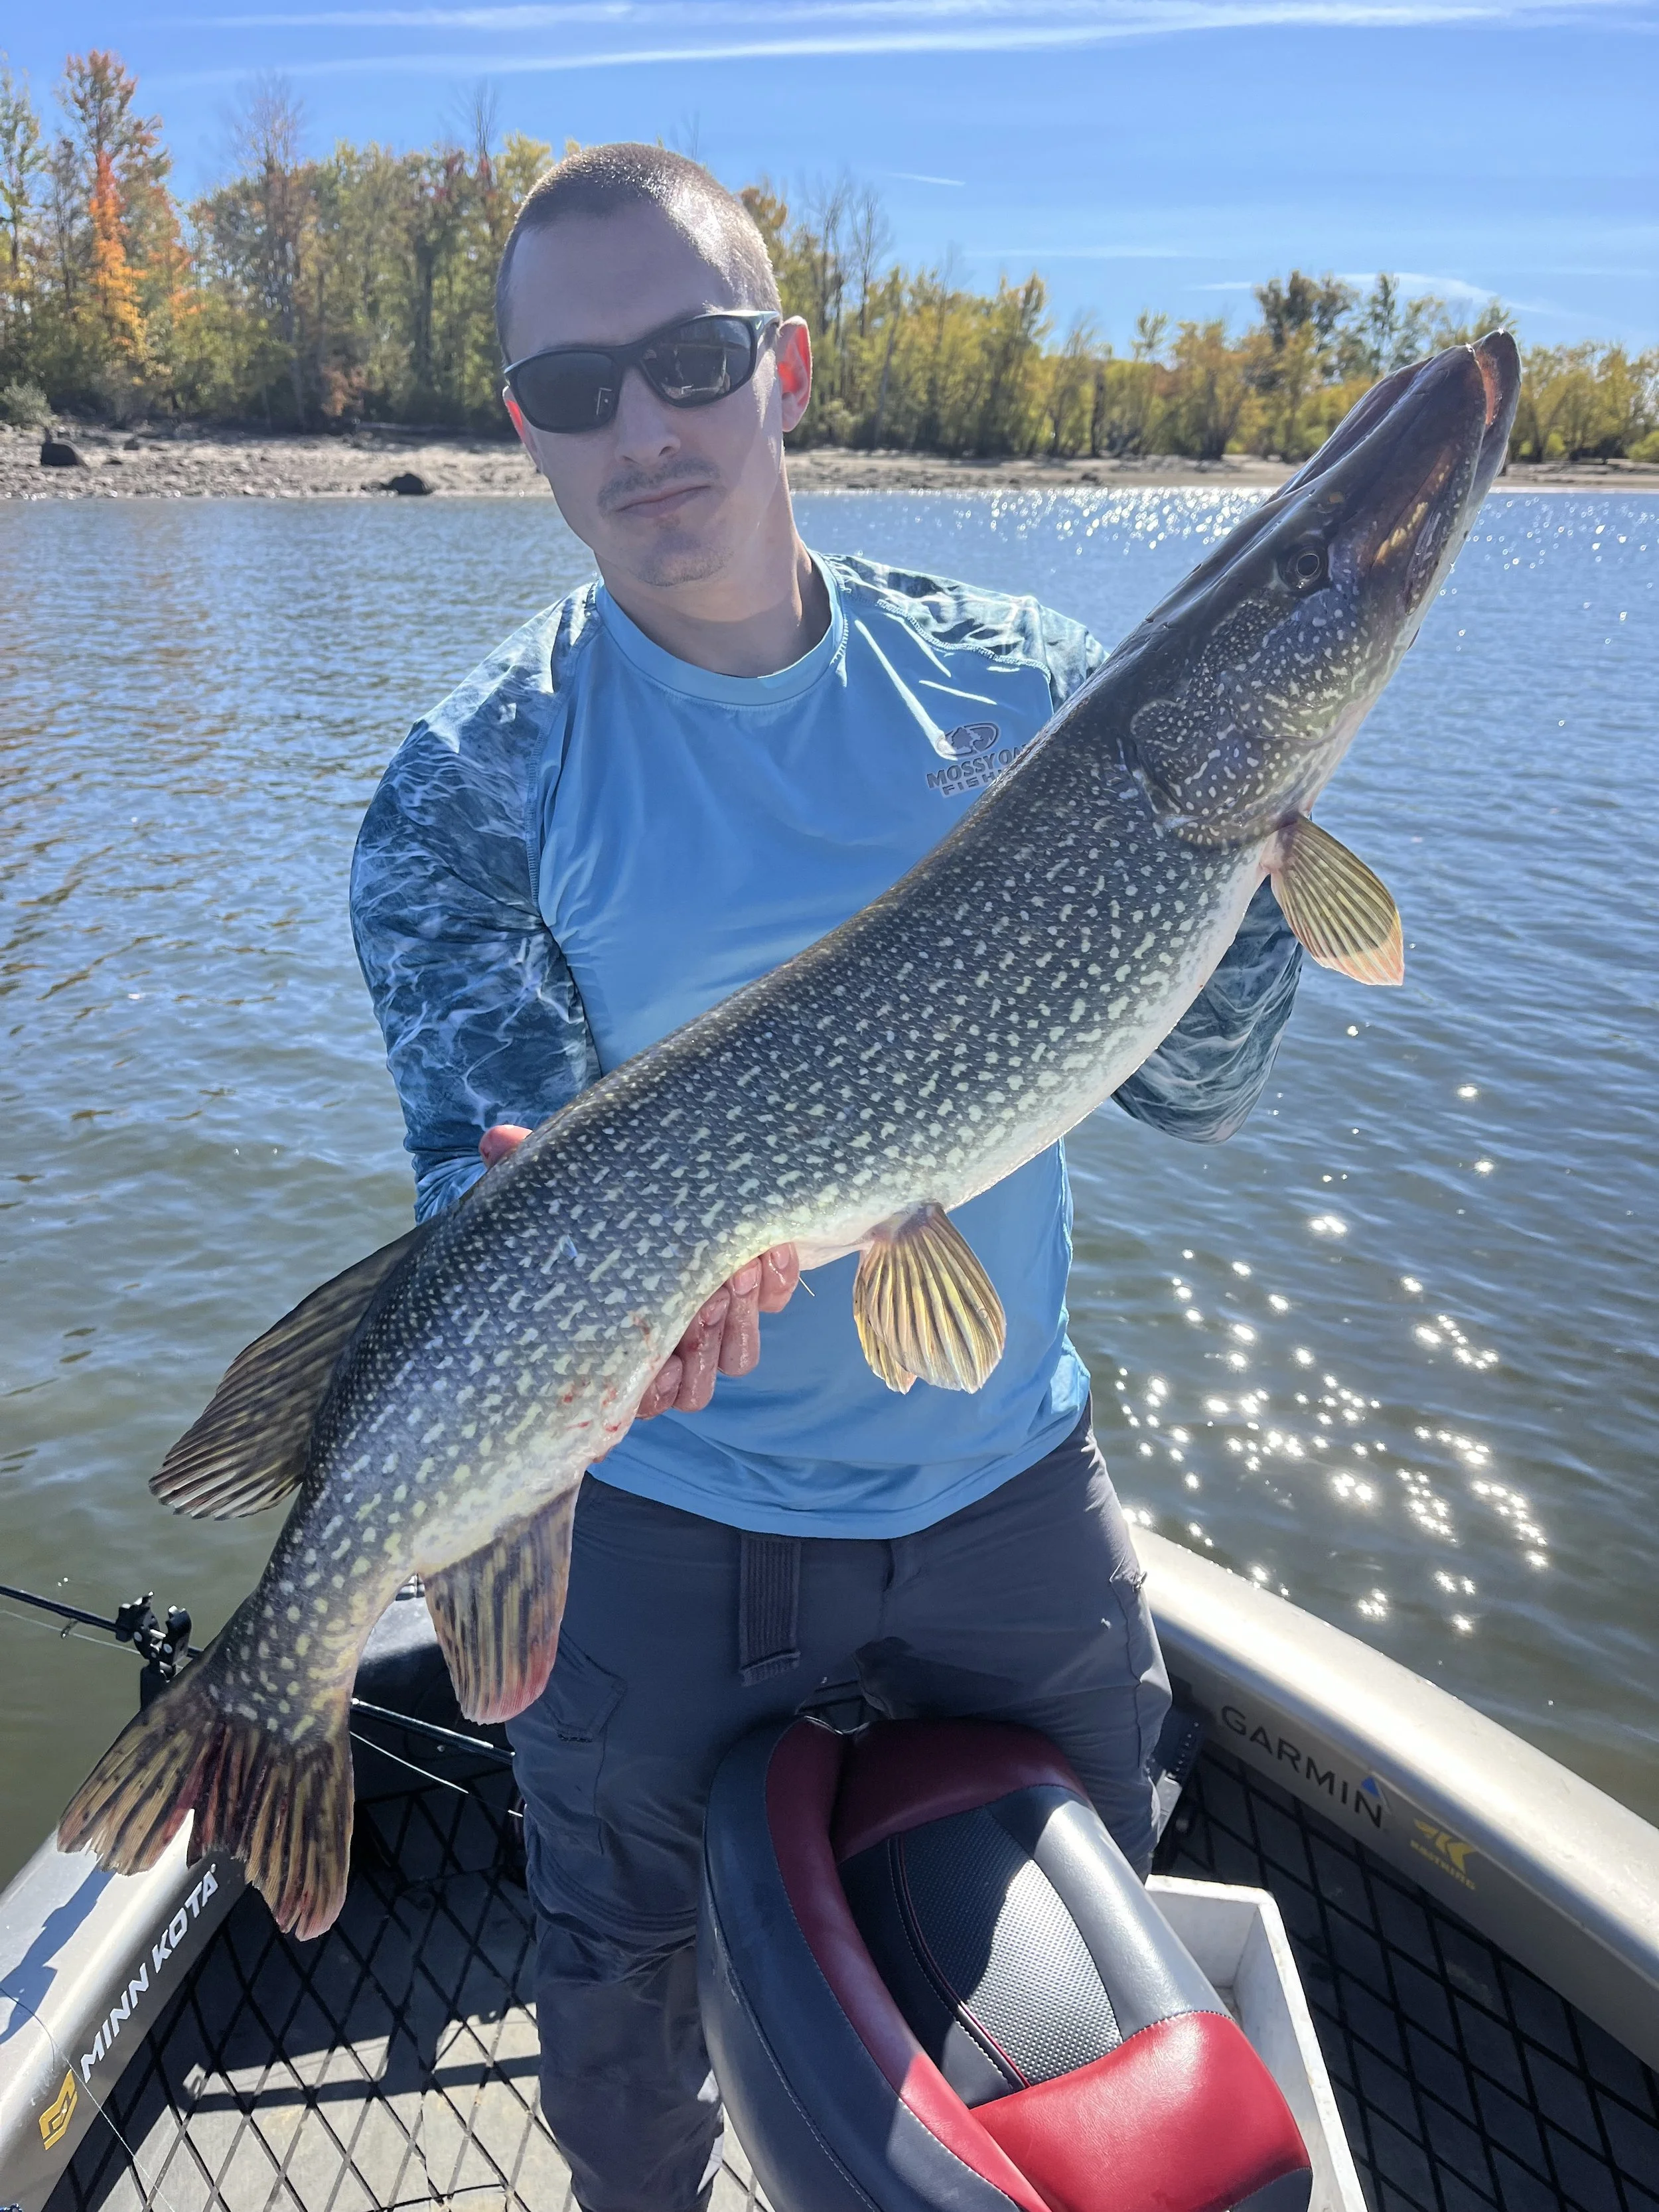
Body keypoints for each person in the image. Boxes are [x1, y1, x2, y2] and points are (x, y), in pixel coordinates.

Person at [350, 142, 1301, 2212]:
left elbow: (1194, 1087)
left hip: (997, 1497)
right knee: (613, 1994)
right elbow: (487, 1204)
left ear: (782, 367)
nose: (641, 426)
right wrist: (577, 1303)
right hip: (654, 1526)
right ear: (520, 426)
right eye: (568, 388)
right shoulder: (465, 785)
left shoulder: (1025, 688)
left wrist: (1260, 845)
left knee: (1062, 1974)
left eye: (685, 358)